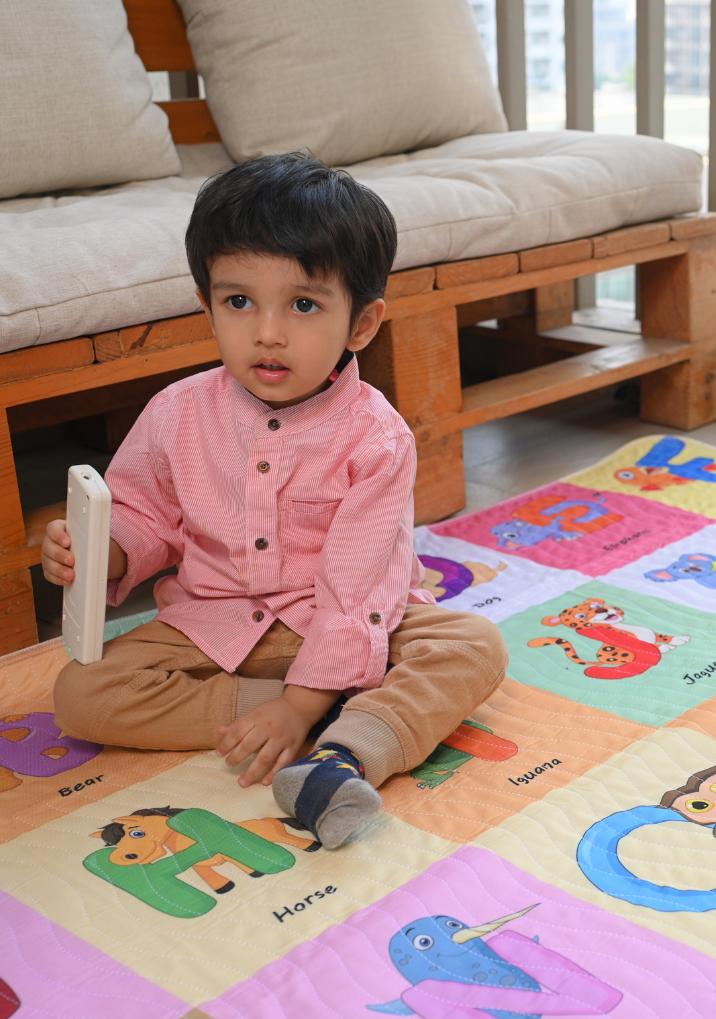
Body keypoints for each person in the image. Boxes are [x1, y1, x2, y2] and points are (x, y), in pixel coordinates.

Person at [44, 152, 508, 849]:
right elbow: (148, 517)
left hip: (348, 622)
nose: (267, 332)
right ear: (207, 305)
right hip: (218, 622)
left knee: (473, 645)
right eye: (238, 302)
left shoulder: (377, 439)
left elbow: (357, 591)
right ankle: (327, 710)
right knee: (79, 696)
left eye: (303, 304)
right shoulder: (176, 412)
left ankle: (347, 751)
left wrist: (302, 702)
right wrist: (100, 552)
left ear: (361, 324)